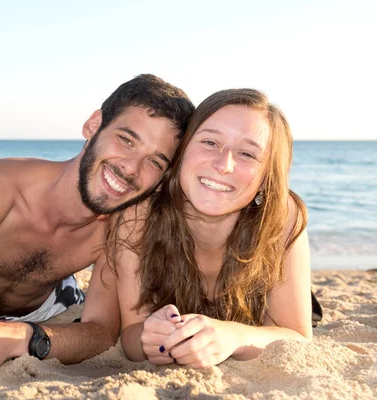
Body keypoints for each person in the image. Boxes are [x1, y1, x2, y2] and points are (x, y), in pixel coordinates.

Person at [0, 74, 195, 384]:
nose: (131, 168)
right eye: (126, 139)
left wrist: (21, 337)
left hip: (49, 305)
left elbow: (102, 332)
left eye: (154, 162)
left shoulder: (122, 224)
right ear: (93, 125)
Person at [111, 88, 318, 367]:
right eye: (209, 142)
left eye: (247, 153)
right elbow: (131, 335)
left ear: (266, 179)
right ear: (182, 151)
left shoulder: (282, 217)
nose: (224, 164)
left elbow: (297, 336)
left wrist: (231, 336)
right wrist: (149, 337)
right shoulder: (139, 214)